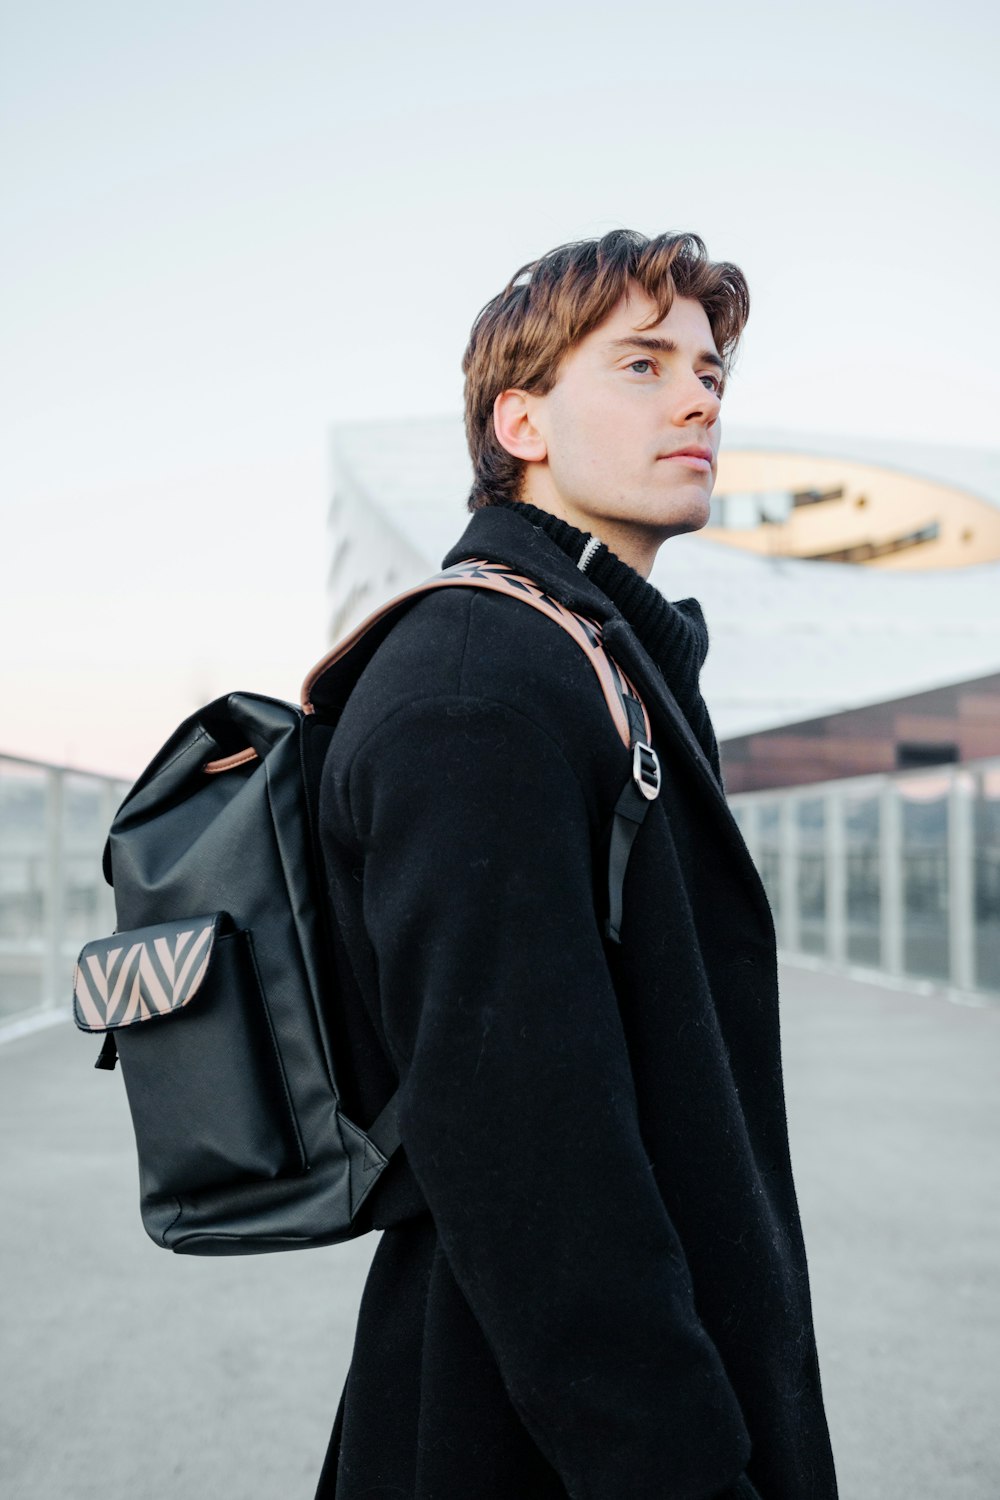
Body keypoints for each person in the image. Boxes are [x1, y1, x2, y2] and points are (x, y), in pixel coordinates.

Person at [314, 229, 839, 1500]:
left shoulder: (592, 661)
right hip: (536, 1445)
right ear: (522, 420)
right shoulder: (480, 687)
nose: (700, 395)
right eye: (644, 364)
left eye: (709, 369)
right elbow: (532, 1171)